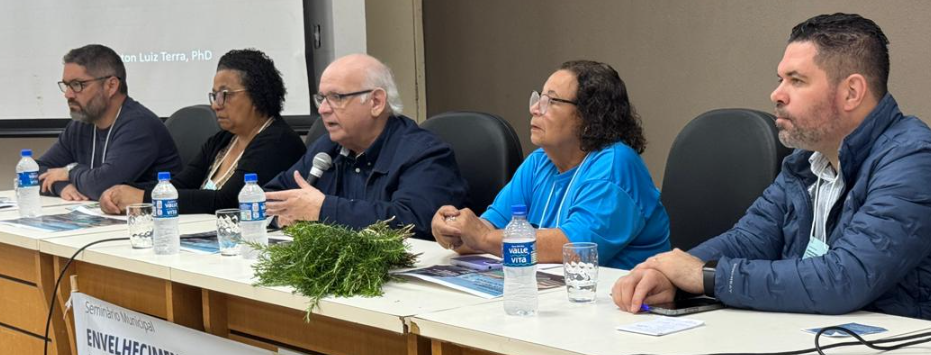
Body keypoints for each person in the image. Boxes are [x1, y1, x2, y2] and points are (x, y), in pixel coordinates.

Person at [613, 13, 931, 320]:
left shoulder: (913, 159)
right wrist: (671, 272)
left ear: (851, 92)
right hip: (812, 334)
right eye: (780, 79)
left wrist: (705, 275)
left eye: (796, 80)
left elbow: (844, 278)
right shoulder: (804, 162)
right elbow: (748, 240)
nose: (776, 94)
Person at [432, 60, 670, 269]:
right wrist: (456, 231)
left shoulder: (615, 164)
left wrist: (482, 237)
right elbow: (491, 226)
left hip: (620, 306)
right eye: (538, 99)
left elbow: (574, 248)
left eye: (551, 101)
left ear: (590, 116)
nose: (534, 109)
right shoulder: (539, 162)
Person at [264, 54, 468, 240]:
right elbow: (267, 197)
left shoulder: (424, 152)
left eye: (336, 97)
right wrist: (283, 218)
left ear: (376, 102)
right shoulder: (327, 148)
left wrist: (323, 209)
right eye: (322, 99)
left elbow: (415, 222)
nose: (323, 109)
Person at [98, 49, 306, 215]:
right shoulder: (223, 140)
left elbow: (227, 201)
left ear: (257, 96)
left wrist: (142, 198)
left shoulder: (277, 142)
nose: (217, 105)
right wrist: (120, 190)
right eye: (214, 96)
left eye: (225, 95)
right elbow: (179, 184)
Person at [37, 44, 182, 201]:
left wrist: (69, 172)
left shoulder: (139, 125)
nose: (68, 94)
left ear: (111, 86)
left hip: (153, 220)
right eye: (66, 85)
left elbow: (103, 186)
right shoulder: (81, 124)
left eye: (77, 85)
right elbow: (33, 170)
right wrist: (61, 186)